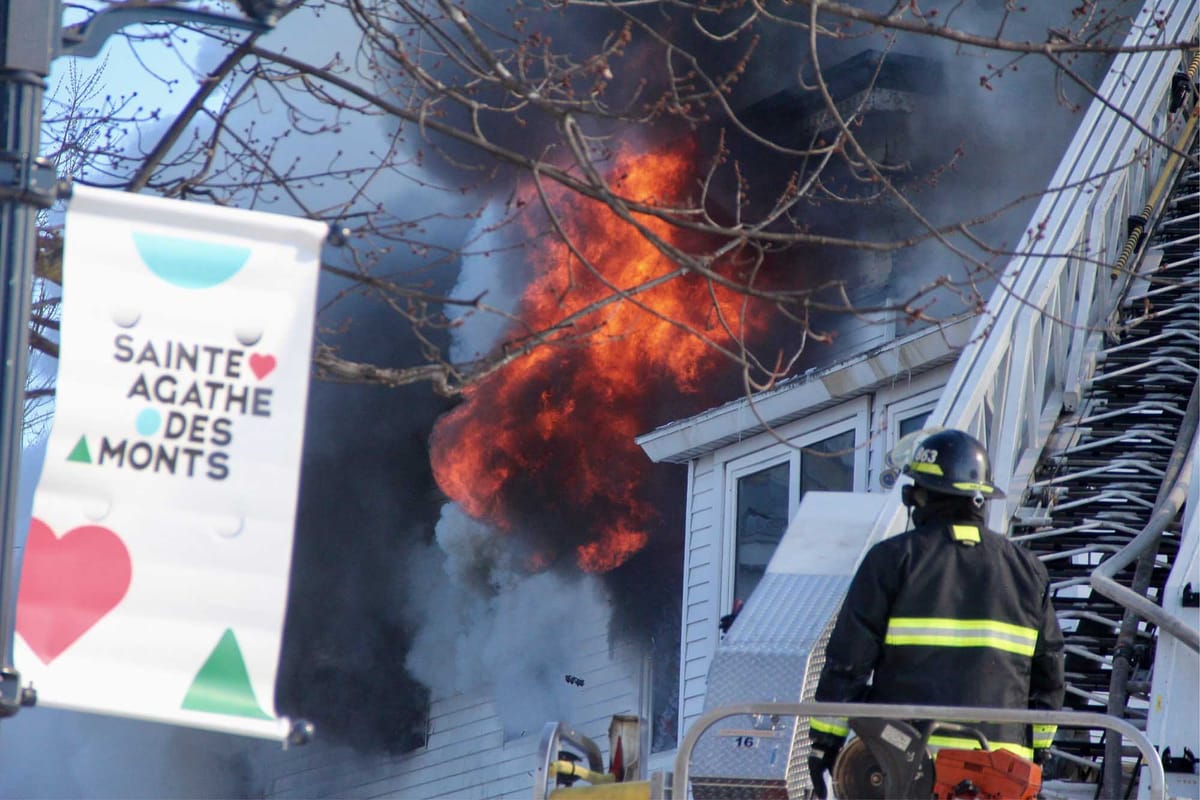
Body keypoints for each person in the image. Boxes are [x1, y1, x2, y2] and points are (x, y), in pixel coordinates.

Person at [807, 428, 1065, 798]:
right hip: (999, 775)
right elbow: (1050, 675)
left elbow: (848, 664)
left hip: (906, 766)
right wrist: (1037, 754)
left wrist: (824, 746)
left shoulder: (892, 560)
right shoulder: (1028, 571)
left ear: (923, 497)